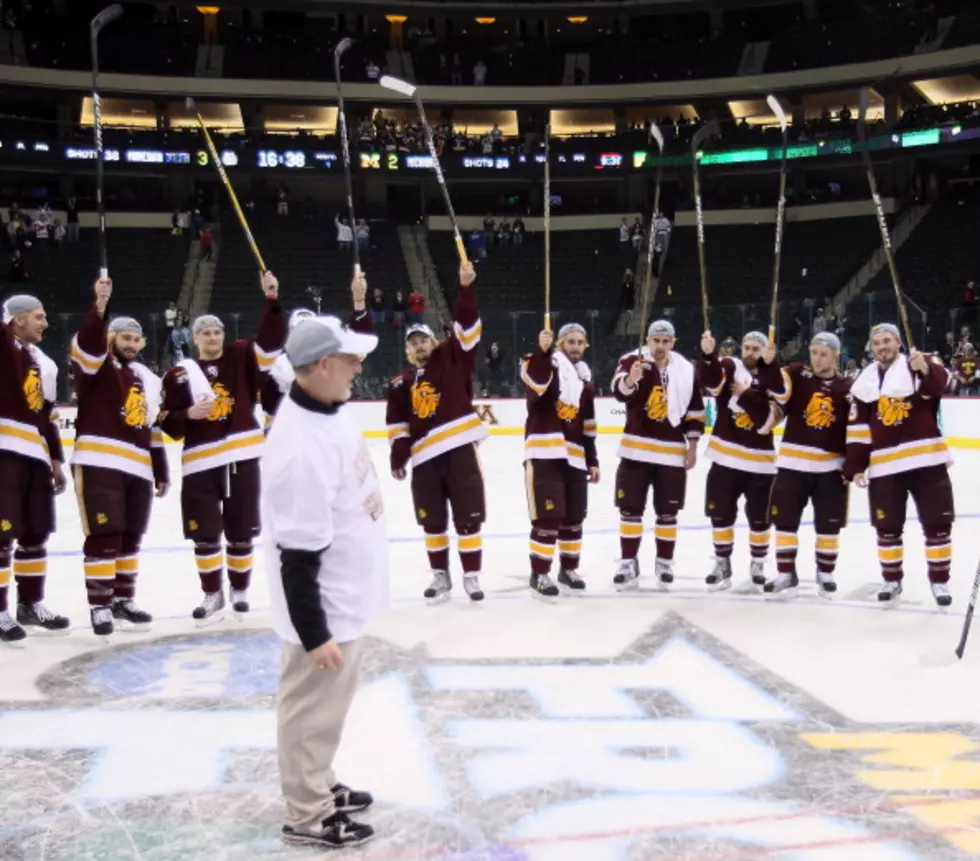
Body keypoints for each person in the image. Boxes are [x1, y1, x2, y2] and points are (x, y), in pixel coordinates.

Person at [263, 314, 385, 850]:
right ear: (321, 365)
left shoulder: (328, 409)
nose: (361, 366)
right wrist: (314, 633)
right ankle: (309, 812)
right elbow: (298, 555)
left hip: (346, 596)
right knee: (310, 710)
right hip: (325, 605)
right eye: (352, 359)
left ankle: (320, 780)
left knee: (326, 710)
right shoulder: (300, 448)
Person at [160, 271, 285, 622]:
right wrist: (187, 413)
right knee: (205, 533)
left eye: (217, 332)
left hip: (241, 457)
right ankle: (212, 593)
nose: (213, 337)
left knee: (241, 528)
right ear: (195, 337)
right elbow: (169, 424)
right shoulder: (178, 375)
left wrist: (271, 300)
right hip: (200, 463)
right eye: (206, 332)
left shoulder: (242, 358)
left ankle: (240, 589)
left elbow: (271, 341)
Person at [69, 278, 170, 636]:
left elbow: (152, 427)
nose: (130, 343)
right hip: (100, 462)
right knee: (105, 534)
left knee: (130, 535)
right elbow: (87, 345)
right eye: (123, 337)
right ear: (110, 338)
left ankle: (123, 599)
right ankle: (100, 605)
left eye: (135, 338)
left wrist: (160, 469)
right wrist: (100, 305)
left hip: (138, 467)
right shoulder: (95, 368)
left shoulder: (145, 376)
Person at [385, 262, 487, 604]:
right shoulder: (399, 383)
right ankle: (441, 575)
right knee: (432, 521)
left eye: (423, 340)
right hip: (425, 458)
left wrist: (466, 290)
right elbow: (397, 425)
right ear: (407, 350)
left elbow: (468, 328)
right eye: (412, 343)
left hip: (458, 449)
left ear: (433, 342)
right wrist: (398, 456)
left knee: (468, 516)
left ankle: (471, 576)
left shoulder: (452, 358)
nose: (418, 346)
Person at [843, 323, 953, 607]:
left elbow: (940, 386)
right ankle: (892, 579)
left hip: (927, 461)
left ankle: (939, 582)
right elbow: (858, 428)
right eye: (877, 342)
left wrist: (926, 368)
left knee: (937, 524)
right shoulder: (864, 381)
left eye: (887, 340)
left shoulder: (920, 363)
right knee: (887, 527)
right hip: (885, 467)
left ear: (899, 343)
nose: (882, 346)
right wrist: (855, 466)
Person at [610, 320, 704, 591]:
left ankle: (664, 563)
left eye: (665, 341)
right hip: (635, 452)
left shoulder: (686, 369)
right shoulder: (632, 360)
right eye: (656, 340)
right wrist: (631, 379)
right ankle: (628, 561)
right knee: (630, 511)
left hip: (672, 455)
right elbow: (619, 392)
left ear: (672, 342)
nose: (660, 346)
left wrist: (693, 447)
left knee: (668, 513)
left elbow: (694, 410)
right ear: (648, 340)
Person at [757, 332, 851, 598]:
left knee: (828, 525)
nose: (817, 358)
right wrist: (769, 363)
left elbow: (853, 430)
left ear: (835, 355)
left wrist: (852, 464)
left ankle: (826, 572)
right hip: (792, 465)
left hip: (831, 469)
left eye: (823, 353)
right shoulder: (798, 374)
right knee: (784, 521)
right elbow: (778, 389)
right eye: (814, 352)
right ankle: (786, 573)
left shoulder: (847, 387)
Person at [0, 294, 68, 644]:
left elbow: (46, 417)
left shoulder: (42, 361)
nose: (45, 323)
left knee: (36, 532)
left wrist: (56, 459)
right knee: (2, 534)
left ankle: (31, 602)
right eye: (38, 317)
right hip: (5, 452)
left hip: (36, 457)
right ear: (17, 320)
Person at [697, 330, 782, 592]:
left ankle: (758, 563)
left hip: (761, 464)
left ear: (767, 352)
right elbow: (711, 382)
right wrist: (709, 355)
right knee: (720, 515)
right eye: (746, 347)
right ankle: (722, 561)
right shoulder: (730, 365)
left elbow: (768, 422)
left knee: (760, 518)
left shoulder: (776, 380)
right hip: (725, 459)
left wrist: (746, 395)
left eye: (756, 348)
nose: (750, 352)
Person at [521, 322, 600, 600]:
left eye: (580, 342)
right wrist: (541, 351)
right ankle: (539, 573)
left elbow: (588, 425)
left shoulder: (584, 382)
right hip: (544, 453)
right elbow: (536, 384)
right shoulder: (544, 365)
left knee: (573, 517)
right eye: (570, 342)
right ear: (560, 344)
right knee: (548, 517)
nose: (576, 347)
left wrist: (593, 460)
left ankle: (568, 569)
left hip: (575, 458)